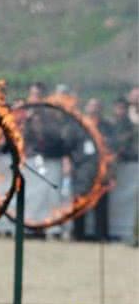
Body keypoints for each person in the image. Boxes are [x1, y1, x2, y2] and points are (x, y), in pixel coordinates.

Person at [64, 98, 112, 241]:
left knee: (101, 204)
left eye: (97, 106)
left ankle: (101, 235)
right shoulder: (78, 125)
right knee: (80, 202)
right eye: (91, 105)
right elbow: (68, 146)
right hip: (81, 169)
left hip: (100, 169)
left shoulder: (106, 126)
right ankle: (78, 234)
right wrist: (67, 162)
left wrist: (111, 172)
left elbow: (112, 149)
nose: (94, 108)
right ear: (86, 108)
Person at [109, 97, 138, 162]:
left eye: (124, 108)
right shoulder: (107, 124)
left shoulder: (132, 125)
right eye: (119, 108)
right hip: (112, 157)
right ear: (114, 108)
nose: (121, 110)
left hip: (129, 157)